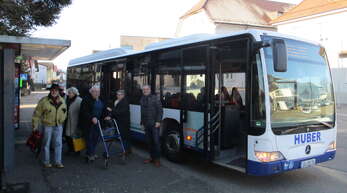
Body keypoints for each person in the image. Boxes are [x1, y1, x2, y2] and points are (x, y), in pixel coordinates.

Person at [32, 83, 67, 168]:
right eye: (52, 90)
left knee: (58, 144)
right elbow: (36, 114)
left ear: (58, 91)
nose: (54, 92)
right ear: (50, 91)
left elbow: (65, 111)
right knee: (46, 144)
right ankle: (46, 162)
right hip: (47, 126)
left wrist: (62, 120)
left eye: (56, 90)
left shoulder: (62, 100)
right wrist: (35, 126)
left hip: (58, 126)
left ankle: (58, 162)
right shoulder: (44, 101)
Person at [79, 85, 106, 162]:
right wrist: (92, 117)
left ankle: (91, 152)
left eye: (98, 92)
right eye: (95, 92)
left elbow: (104, 109)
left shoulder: (100, 99)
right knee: (89, 139)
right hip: (88, 123)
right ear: (91, 92)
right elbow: (84, 112)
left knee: (96, 138)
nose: (97, 93)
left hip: (98, 122)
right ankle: (90, 154)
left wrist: (107, 115)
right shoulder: (86, 99)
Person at [140, 85, 163, 167]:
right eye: (144, 90)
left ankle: (157, 159)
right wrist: (142, 123)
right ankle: (152, 157)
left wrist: (158, 121)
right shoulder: (142, 99)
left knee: (156, 142)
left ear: (150, 90)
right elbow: (142, 113)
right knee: (149, 142)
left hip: (154, 124)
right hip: (146, 124)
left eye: (147, 89)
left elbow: (160, 110)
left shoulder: (155, 98)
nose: (145, 91)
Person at [104, 90, 132, 155]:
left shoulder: (124, 102)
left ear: (123, 95)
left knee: (124, 137)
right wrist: (110, 116)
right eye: (117, 95)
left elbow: (120, 112)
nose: (118, 96)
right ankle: (127, 150)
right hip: (121, 122)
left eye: (119, 95)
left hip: (123, 123)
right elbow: (116, 112)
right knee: (124, 137)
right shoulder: (118, 101)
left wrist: (111, 110)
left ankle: (126, 151)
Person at [64, 87, 83, 155]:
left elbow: (82, 112)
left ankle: (77, 150)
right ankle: (71, 149)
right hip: (68, 120)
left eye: (70, 93)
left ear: (74, 93)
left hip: (75, 121)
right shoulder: (67, 99)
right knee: (67, 136)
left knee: (76, 137)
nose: (68, 94)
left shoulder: (79, 100)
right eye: (68, 93)